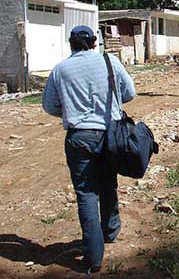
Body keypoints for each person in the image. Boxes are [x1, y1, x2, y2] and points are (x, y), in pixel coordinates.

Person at [42, 25, 136, 275]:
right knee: (108, 182)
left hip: (79, 137)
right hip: (109, 134)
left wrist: (73, 110)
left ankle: (93, 258)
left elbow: (50, 106)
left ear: (71, 44)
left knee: (86, 194)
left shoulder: (60, 69)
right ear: (95, 43)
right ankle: (110, 230)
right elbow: (130, 93)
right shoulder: (110, 62)